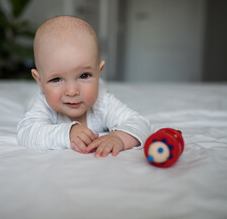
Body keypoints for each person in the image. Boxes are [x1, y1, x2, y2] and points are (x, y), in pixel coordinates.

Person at [17, 15, 151, 157]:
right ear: (40, 81)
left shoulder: (102, 101)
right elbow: (26, 133)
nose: (72, 91)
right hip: (39, 96)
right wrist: (68, 133)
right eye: (56, 79)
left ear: (99, 72)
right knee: (30, 102)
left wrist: (118, 137)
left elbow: (140, 123)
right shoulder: (44, 105)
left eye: (84, 75)